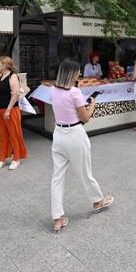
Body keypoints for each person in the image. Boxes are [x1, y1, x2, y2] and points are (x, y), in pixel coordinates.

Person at [50, 59, 114, 232]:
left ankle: (58, 218)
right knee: (85, 172)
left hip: (58, 135)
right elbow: (85, 118)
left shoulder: (53, 90)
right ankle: (98, 201)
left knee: (57, 178)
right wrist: (92, 105)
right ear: (72, 74)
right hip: (75, 135)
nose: (79, 74)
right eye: (77, 72)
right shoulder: (75, 92)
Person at [0, 56, 28, 170]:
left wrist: (8, 110)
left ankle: (16, 158)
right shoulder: (1, 76)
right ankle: (2, 159)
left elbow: (15, 94)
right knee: (3, 135)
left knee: (14, 135)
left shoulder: (13, 76)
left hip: (10, 111)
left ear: (4, 65)